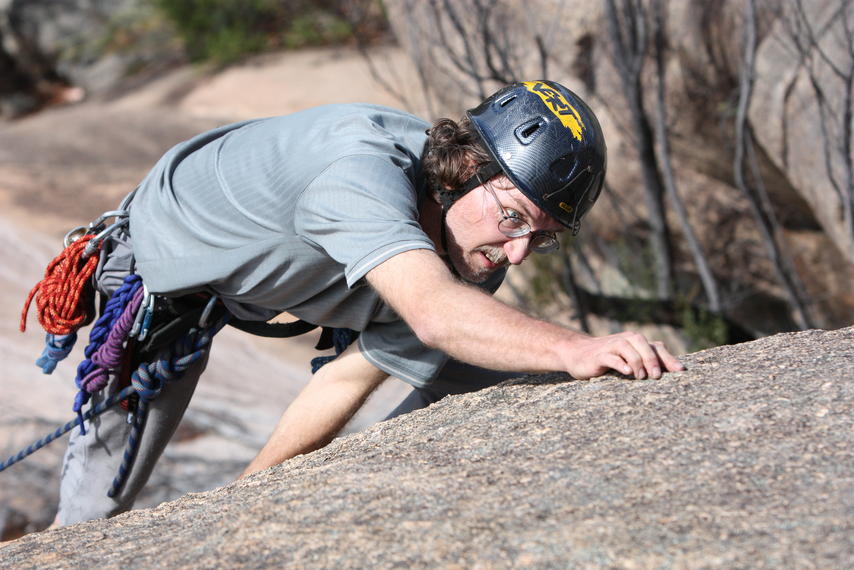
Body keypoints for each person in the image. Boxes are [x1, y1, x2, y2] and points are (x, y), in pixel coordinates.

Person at [54, 79, 684, 525]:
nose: (517, 254)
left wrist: (241, 503)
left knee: (497, 365)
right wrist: (574, 346)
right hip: (173, 261)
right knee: (100, 500)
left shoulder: (476, 247)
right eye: (515, 218)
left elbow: (346, 380)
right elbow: (436, 315)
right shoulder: (357, 170)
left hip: (295, 276)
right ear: (466, 168)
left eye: (541, 238)